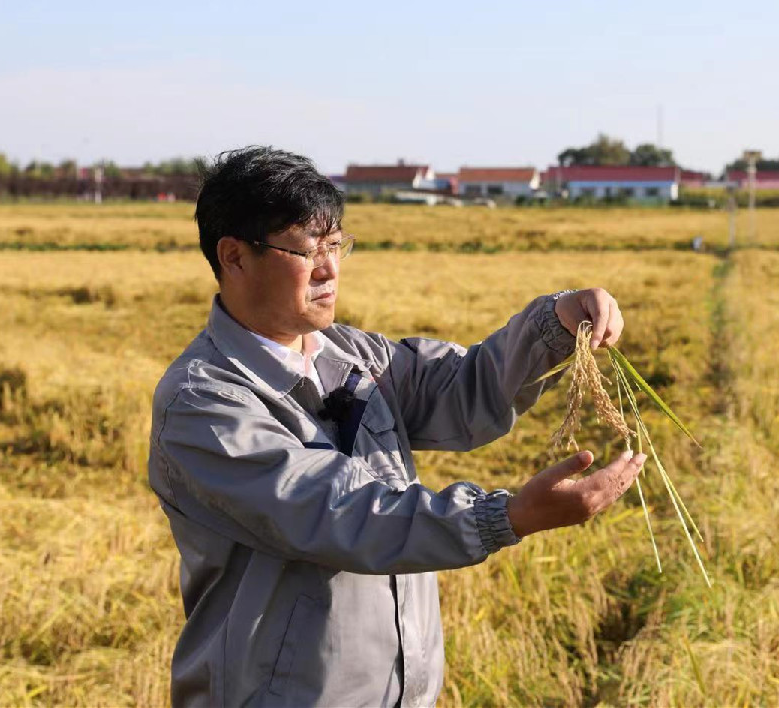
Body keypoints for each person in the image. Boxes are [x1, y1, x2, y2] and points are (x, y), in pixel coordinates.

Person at [148, 146, 648, 707]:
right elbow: (340, 512)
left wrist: (557, 322)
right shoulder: (202, 403)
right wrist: (507, 517)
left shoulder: (356, 357)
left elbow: (466, 390)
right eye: (305, 250)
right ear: (234, 257)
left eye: (336, 246)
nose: (329, 269)